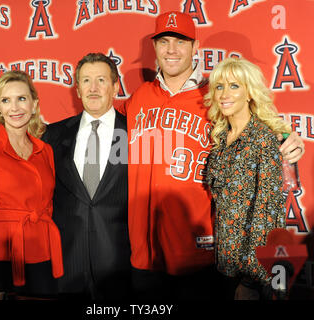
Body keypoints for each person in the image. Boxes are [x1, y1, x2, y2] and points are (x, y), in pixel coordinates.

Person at [121, 11, 305, 300]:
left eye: (180, 42)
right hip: (145, 252)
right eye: (164, 41)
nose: (171, 50)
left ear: (196, 48)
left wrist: (287, 138)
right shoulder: (139, 96)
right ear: (154, 48)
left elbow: (259, 124)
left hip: (201, 251)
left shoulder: (216, 96)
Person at [0, 53, 131, 301]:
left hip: (121, 269)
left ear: (116, 86)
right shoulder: (50, 137)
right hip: (66, 269)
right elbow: (30, 189)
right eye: (86, 81)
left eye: (101, 80)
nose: (93, 88)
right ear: (77, 89)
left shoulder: (136, 135)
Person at [0, 70, 64, 299]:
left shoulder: (45, 150)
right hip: (2, 257)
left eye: (21, 99)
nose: (15, 108)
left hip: (44, 258)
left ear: (34, 103)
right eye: (6, 100)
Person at [205, 57, 290, 300]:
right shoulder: (220, 140)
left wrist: (252, 280)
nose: (224, 93)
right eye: (219, 86)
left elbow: (268, 212)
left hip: (253, 273)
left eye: (234, 86)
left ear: (249, 94)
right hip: (224, 264)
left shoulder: (263, 139)